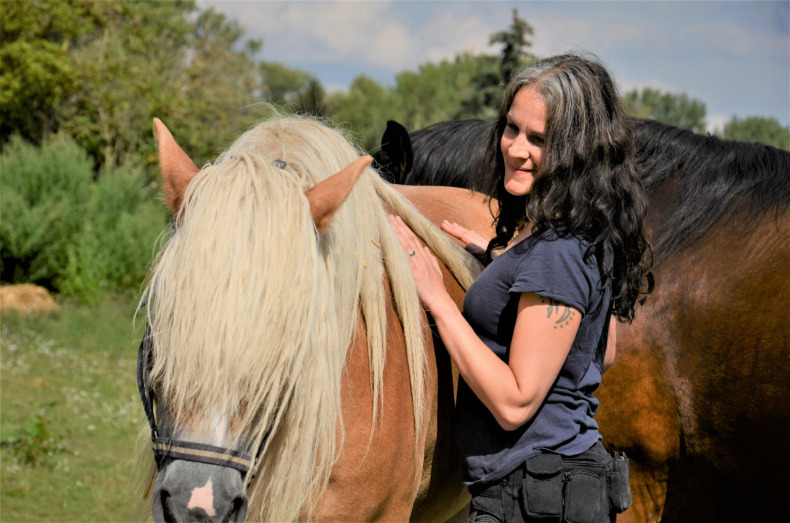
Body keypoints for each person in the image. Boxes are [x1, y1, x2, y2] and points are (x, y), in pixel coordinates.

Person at [388, 53, 654, 522]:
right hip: (552, 489)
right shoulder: (579, 235)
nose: (515, 149)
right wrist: (508, 271)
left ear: (577, 152)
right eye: (512, 128)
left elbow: (514, 404)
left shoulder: (559, 251)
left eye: (539, 139)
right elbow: (603, 351)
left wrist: (436, 298)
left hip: (533, 496)